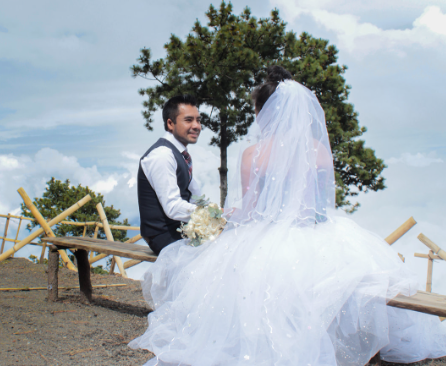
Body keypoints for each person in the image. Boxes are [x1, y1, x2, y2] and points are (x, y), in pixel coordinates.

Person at [129, 66, 446, 365]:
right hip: (316, 231)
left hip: (268, 233)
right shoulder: (319, 151)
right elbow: (321, 206)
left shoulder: (254, 154)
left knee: (243, 279)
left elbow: (252, 210)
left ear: (267, 112)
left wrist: (232, 219)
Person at [138, 94, 202, 255]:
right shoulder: (162, 155)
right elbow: (172, 207)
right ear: (170, 123)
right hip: (163, 235)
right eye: (188, 120)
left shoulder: (181, 154)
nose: (196, 126)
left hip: (179, 229)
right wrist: (207, 216)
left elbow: (193, 194)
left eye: (198, 120)